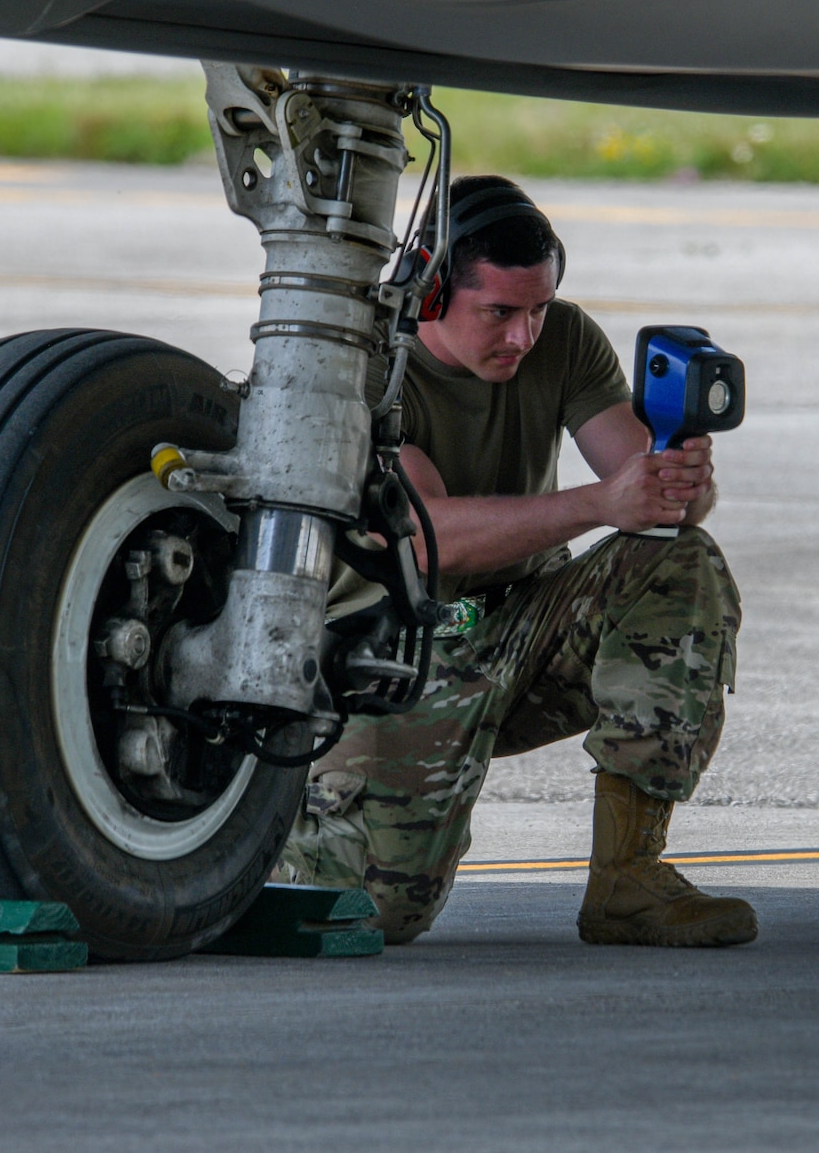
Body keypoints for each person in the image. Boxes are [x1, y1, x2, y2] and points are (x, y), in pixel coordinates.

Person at [273, 174, 752, 948]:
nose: (524, 337)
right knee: (375, 916)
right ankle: (288, 820)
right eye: (499, 312)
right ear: (431, 293)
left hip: (520, 632)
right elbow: (429, 542)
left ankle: (628, 878)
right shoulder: (365, 367)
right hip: (390, 660)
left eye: (537, 309)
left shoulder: (562, 338)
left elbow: (645, 491)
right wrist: (604, 502)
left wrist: (677, 483)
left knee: (678, 562)